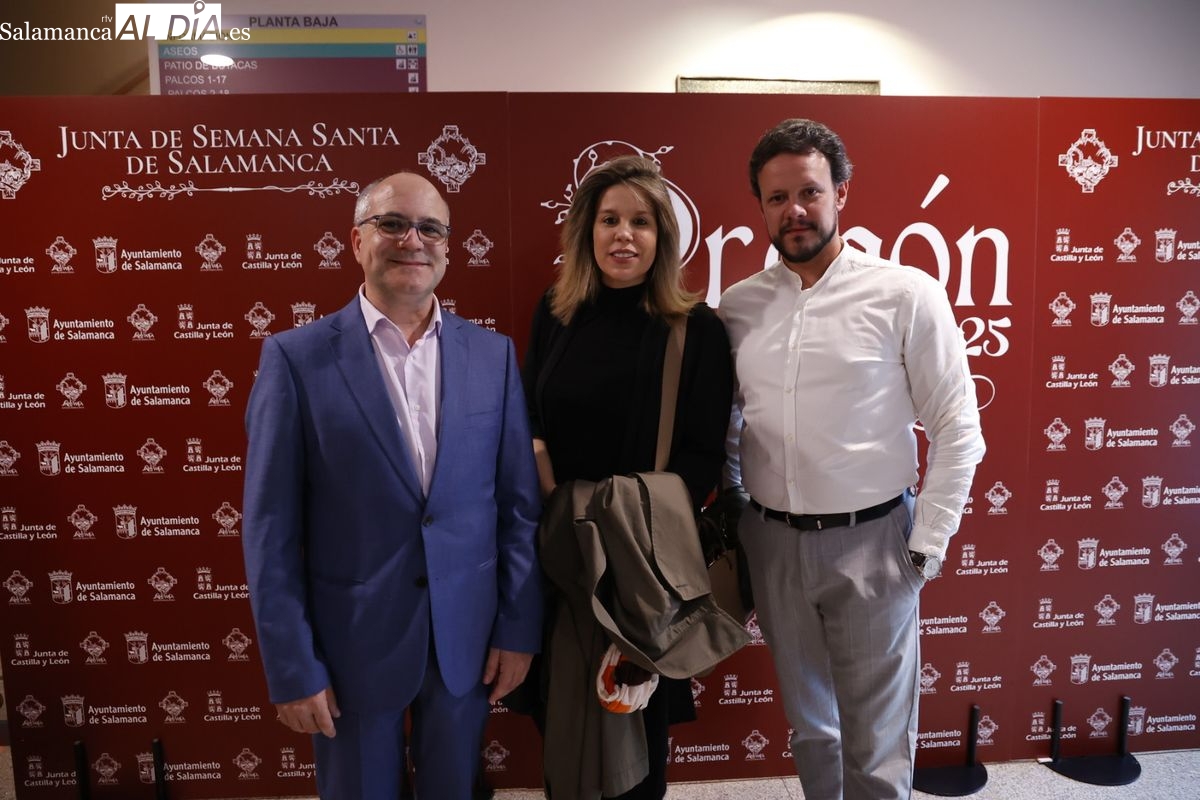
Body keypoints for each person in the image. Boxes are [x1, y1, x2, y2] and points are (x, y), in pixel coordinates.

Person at [242, 171, 542, 800]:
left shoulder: (492, 357)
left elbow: (518, 509)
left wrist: (517, 629)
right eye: (393, 224)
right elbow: (270, 533)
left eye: (431, 228)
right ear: (357, 241)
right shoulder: (295, 359)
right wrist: (293, 666)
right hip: (350, 648)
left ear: (448, 248)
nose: (413, 240)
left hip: (466, 645)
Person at [720, 119, 985, 800]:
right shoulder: (738, 308)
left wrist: (925, 547)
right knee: (813, 731)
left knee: (877, 741)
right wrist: (743, 518)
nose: (795, 210)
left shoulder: (905, 293)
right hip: (773, 546)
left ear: (841, 192)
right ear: (760, 207)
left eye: (809, 192)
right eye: (777, 198)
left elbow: (958, 426)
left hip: (876, 543)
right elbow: (726, 427)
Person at [523, 155, 734, 799]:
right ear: (586, 231)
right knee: (561, 711)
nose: (624, 235)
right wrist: (553, 493)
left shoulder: (697, 328)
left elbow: (702, 455)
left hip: (643, 561)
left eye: (641, 222)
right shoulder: (555, 312)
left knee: (634, 719)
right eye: (609, 219)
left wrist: (619, 525)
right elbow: (531, 417)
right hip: (560, 552)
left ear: (662, 237)